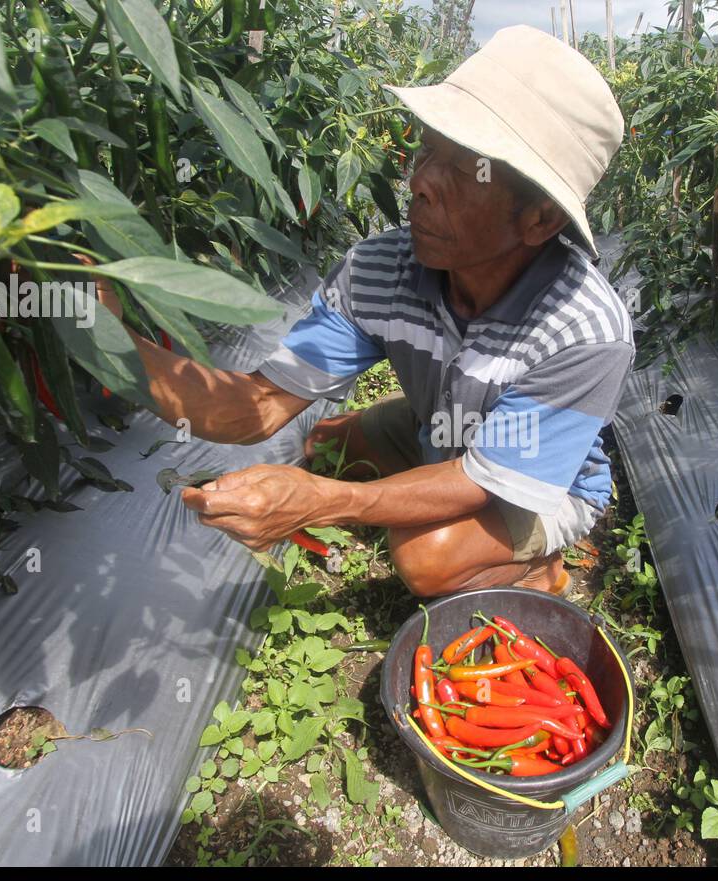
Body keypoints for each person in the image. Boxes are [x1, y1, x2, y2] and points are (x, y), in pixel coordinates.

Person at [121, 24, 633, 597]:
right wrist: (95, 329)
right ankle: (422, 447)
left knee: (424, 558)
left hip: (541, 481)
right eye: (427, 150)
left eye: (466, 170)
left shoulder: (584, 332)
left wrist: (324, 503)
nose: (420, 183)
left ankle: (541, 569)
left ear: (539, 219)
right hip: (444, 433)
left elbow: (483, 481)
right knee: (325, 445)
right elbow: (254, 408)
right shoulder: (382, 268)